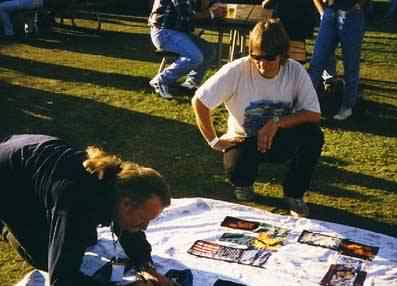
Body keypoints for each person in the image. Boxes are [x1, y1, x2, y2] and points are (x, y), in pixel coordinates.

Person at [0, 134, 179, 286]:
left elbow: (128, 226)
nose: (144, 226)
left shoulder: (120, 183)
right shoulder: (75, 205)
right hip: (5, 178)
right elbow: (62, 281)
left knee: (86, 239)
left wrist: (145, 265)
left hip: (33, 154)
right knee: (45, 258)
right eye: (144, 219)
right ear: (126, 204)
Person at [192, 19, 324, 218]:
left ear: (282, 55)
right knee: (238, 173)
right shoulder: (236, 70)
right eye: (256, 56)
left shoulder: (295, 71)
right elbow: (199, 101)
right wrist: (213, 140)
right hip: (244, 140)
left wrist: (276, 124)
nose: (262, 64)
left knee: (313, 135)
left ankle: (294, 193)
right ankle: (243, 183)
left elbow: (313, 114)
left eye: (269, 58)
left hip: (280, 138)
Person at [148, 0, 226, 99]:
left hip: (179, 32)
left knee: (209, 50)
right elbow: (187, 14)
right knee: (195, 57)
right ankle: (160, 81)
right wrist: (211, 13)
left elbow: (199, 7)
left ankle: (190, 84)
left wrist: (214, 4)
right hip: (165, 33)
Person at [308, 0, 368, 121]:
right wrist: (322, 12)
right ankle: (306, 104)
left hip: (351, 14)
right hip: (330, 13)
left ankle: (347, 105)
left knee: (351, 64)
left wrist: (357, 5)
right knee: (317, 62)